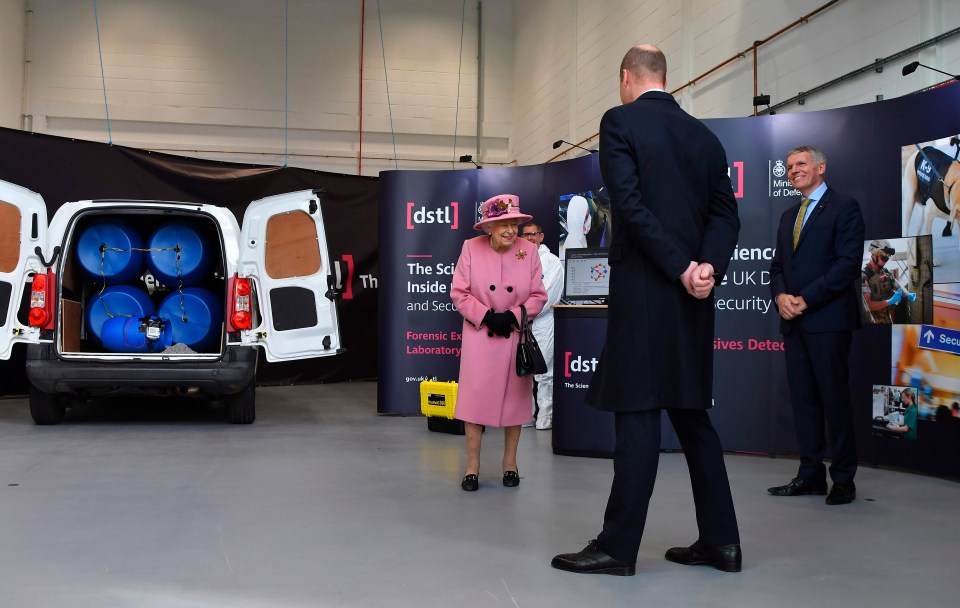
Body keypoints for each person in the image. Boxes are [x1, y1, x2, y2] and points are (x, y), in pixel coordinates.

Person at [551, 44, 741, 577]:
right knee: (691, 415)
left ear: (626, 77)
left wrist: (681, 267)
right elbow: (727, 216)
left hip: (646, 292)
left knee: (637, 416)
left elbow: (628, 207)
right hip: (693, 301)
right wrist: (706, 268)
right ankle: (722, 542)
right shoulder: (705, 137)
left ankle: (617, 547)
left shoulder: (620, 122)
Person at [768, 145, 866, 506]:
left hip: (827, 322)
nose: (794, 170)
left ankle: (843, 479)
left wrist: (805, 299)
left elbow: (847, 265)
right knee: (804, 402)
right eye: (790, 166)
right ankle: (810, 475)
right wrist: (781, 298)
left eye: (801, 164)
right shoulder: (787, 216)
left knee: (834, 401)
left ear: (821, 167)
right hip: (793, 323)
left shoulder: (845, 207)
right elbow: (777, 267)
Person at [450, 194, 548, 492]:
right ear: (488, 227)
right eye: (503, 224)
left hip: (514, 339)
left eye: (515, 224)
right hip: (481, 335)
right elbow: (459, 293)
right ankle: (472, 467)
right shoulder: (471, 248)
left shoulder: (528, 252)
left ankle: (510, 464)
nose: (511, 230)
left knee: (514, 404)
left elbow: (538, 296)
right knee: (474, 402)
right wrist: (487, 316)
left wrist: (515, 316)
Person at [520, 221, 564, 430]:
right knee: (523, 372)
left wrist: (523, 313)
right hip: (520, 324)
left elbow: (547, 297)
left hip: (543, 322)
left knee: (545, 372)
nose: (529, 238)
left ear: (541, 236)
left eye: (533, 234)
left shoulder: (552, 262)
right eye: (525, 234)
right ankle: (524, 416)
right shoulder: (518, 258)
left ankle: (545, 418)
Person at [861, 239, 916, 324]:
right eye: (883, 258)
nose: (885, 262)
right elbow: (868, 305)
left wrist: (907, 294)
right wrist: (889, 302)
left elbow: (898, 286)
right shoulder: (864, 276)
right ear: (873, 255)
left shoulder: (885, 272)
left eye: (887, 259)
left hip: (887, 319)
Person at [561, 195, 591, 260]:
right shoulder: (575, 247)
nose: (589, 218)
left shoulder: (577, 238)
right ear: (581, 219)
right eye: (587, 215)